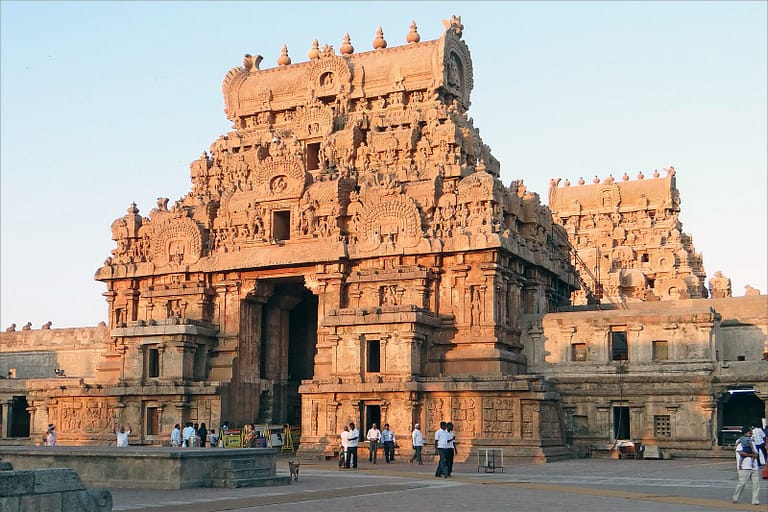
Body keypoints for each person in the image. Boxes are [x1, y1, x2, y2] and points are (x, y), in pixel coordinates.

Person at [732, 425, 761, 505]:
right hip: (744, 466)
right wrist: (752, 455)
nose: (751, 434)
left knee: (756, 484)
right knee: (742, 483)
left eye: (751, 432)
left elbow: (756, 452)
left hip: (754, 466)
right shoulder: (740, 441)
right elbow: (741, 452)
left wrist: (754, 455)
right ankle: (735, 497)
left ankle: (755, 500)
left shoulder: (752, 441)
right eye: (749, 432)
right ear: (745, 433)